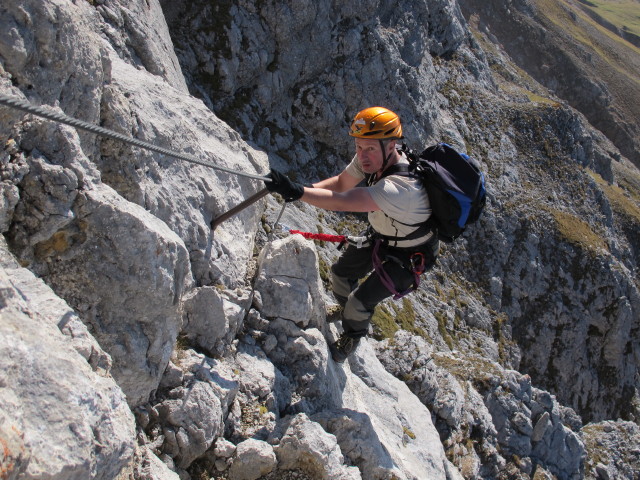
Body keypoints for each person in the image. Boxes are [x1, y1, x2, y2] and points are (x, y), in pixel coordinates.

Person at [265, 106, 439, 362]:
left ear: (391, 146)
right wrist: (299, 189)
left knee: (360, 302)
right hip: (385, 234)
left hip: (411, 254)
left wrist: (299, 193)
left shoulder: (400, 188)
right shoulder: (372, 159)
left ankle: (352, 335)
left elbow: (342, 200)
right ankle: (348, 311)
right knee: (340, 275)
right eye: (358, 147)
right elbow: (339, 183)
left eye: (369, 148)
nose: (362, 155)